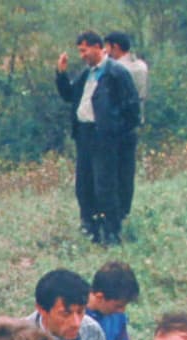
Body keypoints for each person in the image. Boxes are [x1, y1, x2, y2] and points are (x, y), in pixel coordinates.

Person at [56, 31, 140, 245]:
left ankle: (112, 232)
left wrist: (114, 132)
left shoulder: (116, 73)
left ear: (96, 47)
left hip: (105, 137)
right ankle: (90, 228)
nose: (82, 55)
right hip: (84, 135)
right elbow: (69, 96)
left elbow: (132, 110)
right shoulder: (87, 74)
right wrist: (61, 74)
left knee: (106, 185)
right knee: (84, 185)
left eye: (84, 50)